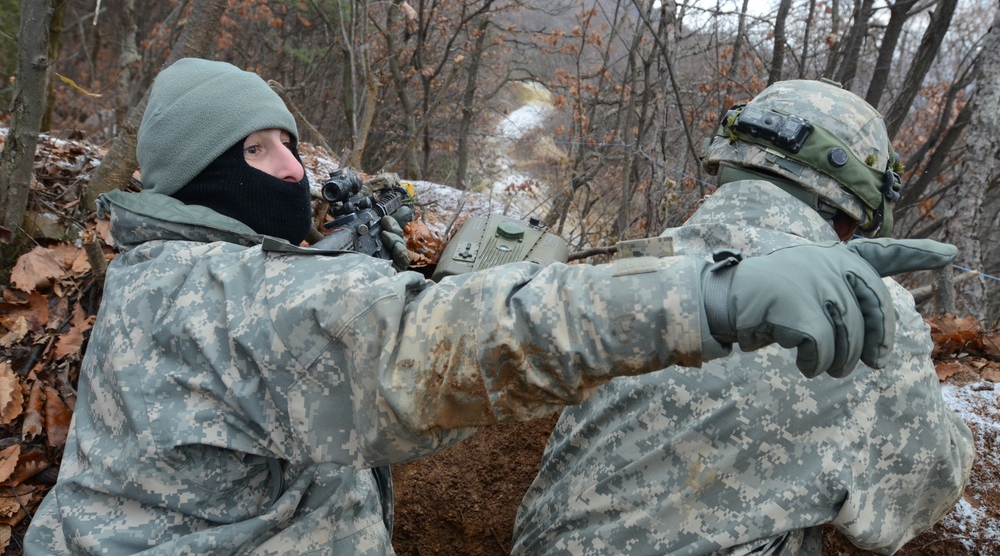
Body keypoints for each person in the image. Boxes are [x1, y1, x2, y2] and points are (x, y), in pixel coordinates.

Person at [24, 60, 956, 556]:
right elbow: (447, 345)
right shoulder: (220, 299)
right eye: (261, 150)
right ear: (198, 171)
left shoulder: (158, 277)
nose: (296, 171)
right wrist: (717, 295)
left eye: (289, 144)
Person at [511, 79, 975, 556]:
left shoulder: (639, 268)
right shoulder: (869, 305)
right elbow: (929, 484)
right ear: (856, 210)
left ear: (729, 163)